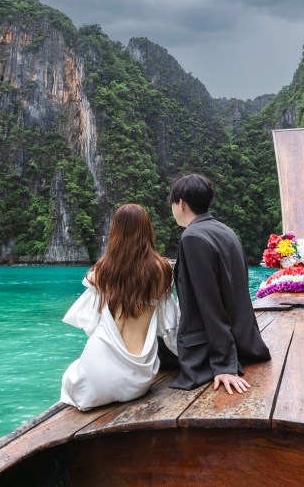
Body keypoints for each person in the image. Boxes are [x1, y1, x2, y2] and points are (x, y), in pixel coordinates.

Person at [60, 203, 179, 411]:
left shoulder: (101, 270)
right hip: (138, 378)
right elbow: (169, 325)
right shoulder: (162, 270)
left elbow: (89, 322)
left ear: (115, 231)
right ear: (147, 229)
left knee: (71, 376)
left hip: (96, 371)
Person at [168, 173, 270, 393]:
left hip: (210, 354)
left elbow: (209, 305)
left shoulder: (192, 237)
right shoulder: (227, 231)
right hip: (245, 341)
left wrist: (224, 365)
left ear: (182, 203)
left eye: (173, 203)